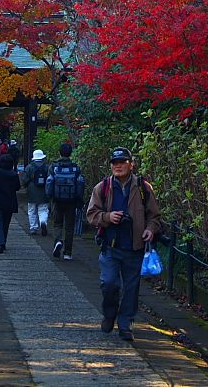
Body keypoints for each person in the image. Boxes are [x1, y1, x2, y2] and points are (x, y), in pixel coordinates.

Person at [86, 146, 161, 341]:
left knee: (131, 288)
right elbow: (91, 215)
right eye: (114, 163)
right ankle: (109, 314)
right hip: (110, 246)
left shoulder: (144, 187)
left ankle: (125, 323)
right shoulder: (102, 188)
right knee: (109, 284)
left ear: (131, 164)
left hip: (134, 247)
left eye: (122, 162)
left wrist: (150, 230)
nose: (118, 166)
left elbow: (155, 216)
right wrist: (108, 217)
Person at [47, 142, 84, 261]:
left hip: (57, 200)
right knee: (69, 227)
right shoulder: (75, 167)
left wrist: (50, 196)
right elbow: (80, 183)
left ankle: (58, 241)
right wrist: (79, 198)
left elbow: (49, 182)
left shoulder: (53, 167)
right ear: (70, 153)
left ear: (59, 152)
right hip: (71, 201)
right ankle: (68, 252)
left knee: (57, 223)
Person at [0, 153, 21, 253]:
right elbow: (17, 187)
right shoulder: (14, 175)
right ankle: (3, 242)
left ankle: (0, 243)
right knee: (6, 223)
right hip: (9, 201)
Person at [22, 149, 50, 236]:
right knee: (43, 209)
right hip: (44, 191)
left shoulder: (29, 167)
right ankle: (43, 221)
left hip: (32, 191)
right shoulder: (47, 167)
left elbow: (24, 180)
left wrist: (25, 185)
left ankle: (33, 228)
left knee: (31, 210)